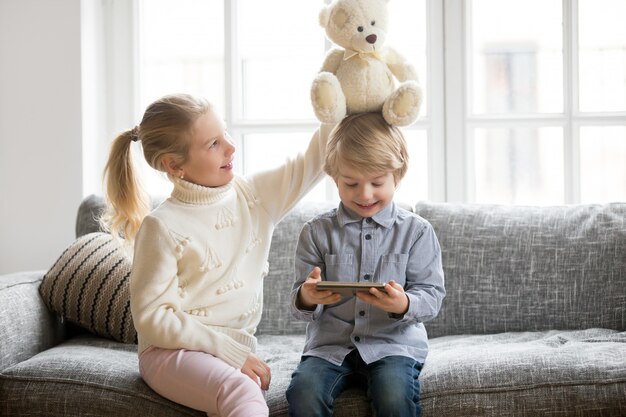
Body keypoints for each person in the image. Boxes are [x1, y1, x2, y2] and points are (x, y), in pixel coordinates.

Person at [100, 93, 333, 417]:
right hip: (169, 353)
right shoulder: (162, 226)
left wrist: (345, 89)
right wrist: (232, 354)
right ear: (174, 164)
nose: (230, 147)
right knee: (242, 394)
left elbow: (315, 159)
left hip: (232, 351)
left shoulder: (254, 196)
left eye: (225, 134)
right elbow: (153, 319)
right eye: (213, 144)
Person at [286, 112, 446, 417]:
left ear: (397, 175)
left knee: (394, 396)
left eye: (377, 182)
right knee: (303, 393)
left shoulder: (417, 232)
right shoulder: (316, 232)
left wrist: (403, 303)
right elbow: (298, 302)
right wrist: (308, 297)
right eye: (351, 183)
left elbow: (432, 296)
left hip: (394, 345)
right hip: (329, 347)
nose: (365, 194)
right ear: (334, 178)